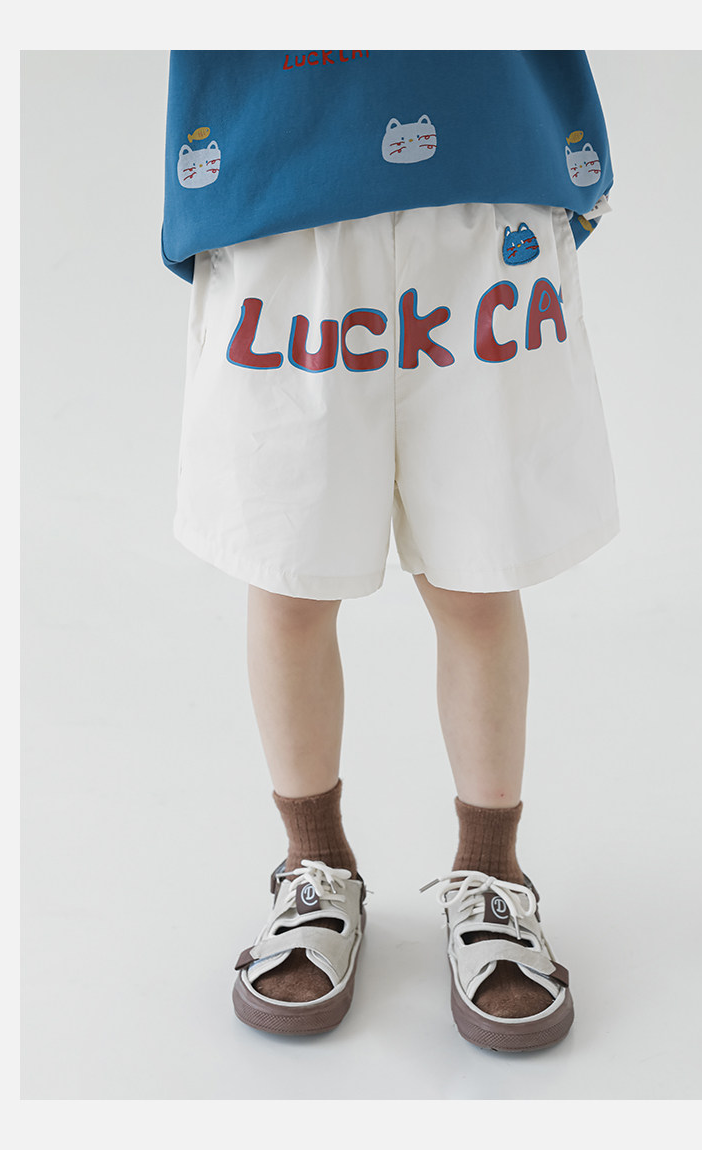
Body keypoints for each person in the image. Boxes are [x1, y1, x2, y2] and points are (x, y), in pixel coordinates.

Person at [161, 49, 619, 1051]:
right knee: (289, 573)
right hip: (280, 173)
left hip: (481, 170)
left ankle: (492, 868)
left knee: (476, 574)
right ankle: (314, 862)